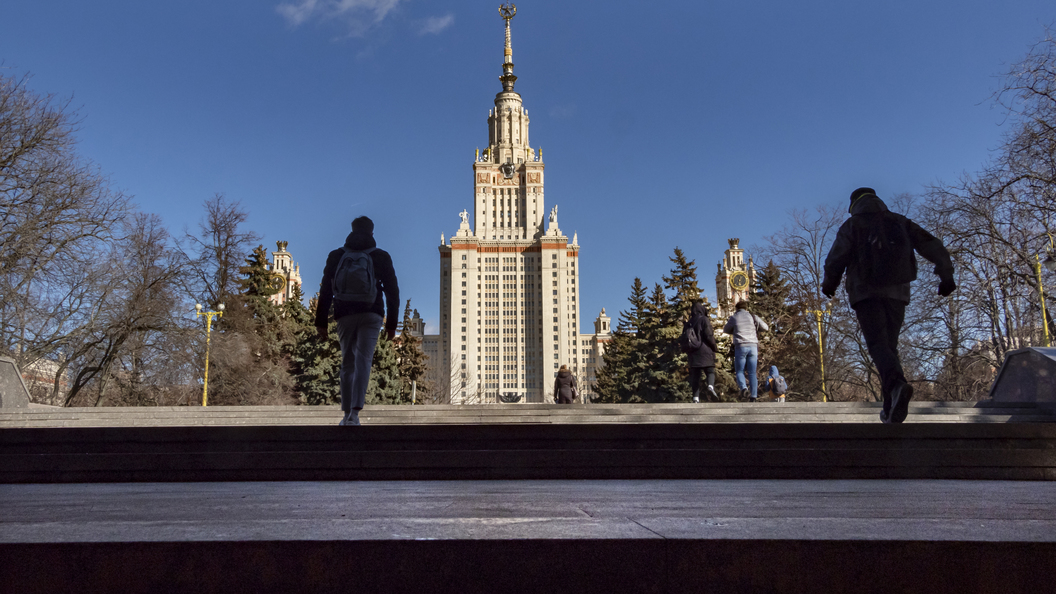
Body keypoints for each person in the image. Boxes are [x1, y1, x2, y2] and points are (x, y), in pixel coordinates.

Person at [822, 187, 955, 424]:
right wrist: (945, 274)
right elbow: (930, 244)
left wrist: (829, 283)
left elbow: (837, 256)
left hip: (865, 292)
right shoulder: (899, 221)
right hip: (897, 291)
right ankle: (890, 407)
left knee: (878, 345)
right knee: (889, 348)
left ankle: (896, 387)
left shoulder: (853, 225)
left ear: (854, 205)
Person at [316, 216, 399, 426]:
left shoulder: (336, 255)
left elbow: (326, 288)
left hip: (345, 312)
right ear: (372, 232)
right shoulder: (381, 256)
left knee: (347, 362)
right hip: (372, 313)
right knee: (364, 361)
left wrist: (321, 321)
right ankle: (354, 414)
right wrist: (392, 325)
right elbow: (392, 291)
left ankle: (345, 415)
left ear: (352, 230)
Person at [723, 301, 769, 402]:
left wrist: (735, 330)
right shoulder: (753, 317)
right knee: (752, 373)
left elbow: (725, 330)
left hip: (741, 346)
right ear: (746, 308)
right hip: (753, 347)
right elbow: (766, 327)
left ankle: (744, 388)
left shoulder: (734, 317)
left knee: (739, 371)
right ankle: (754, 396)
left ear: (736, 308)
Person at [685, 301, 720, 403]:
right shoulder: (704, 319)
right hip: (705, 350)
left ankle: (695, 398)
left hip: (693, 352)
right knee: (710, 371)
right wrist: (714, 346)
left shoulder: (689, 322)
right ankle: (710, 386)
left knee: (695, 376)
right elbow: (708, 335)